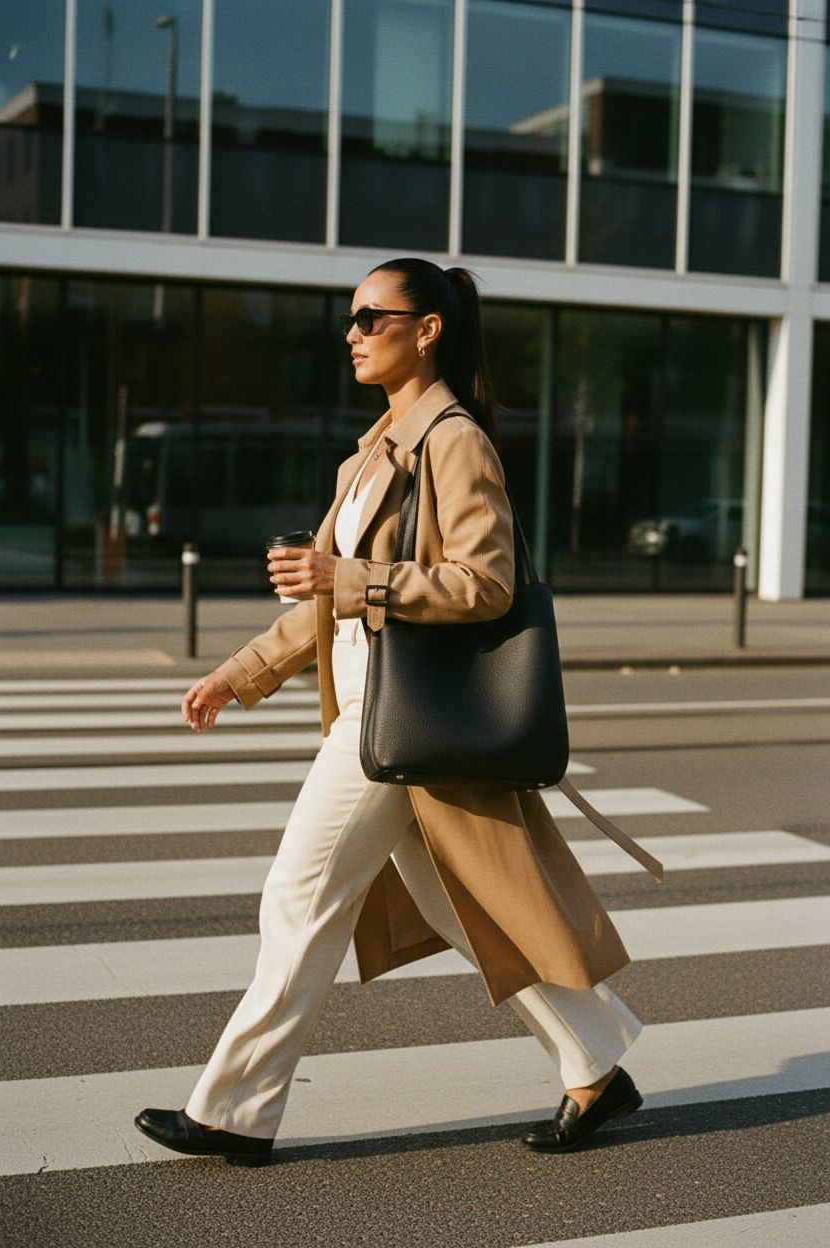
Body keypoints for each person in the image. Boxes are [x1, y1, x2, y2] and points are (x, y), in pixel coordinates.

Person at [135, 258, 644, 1167]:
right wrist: (240, 675)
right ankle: (596, 1065)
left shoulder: (454, 439)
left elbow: (485, 585)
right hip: (377, 712)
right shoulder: (373, 452)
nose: (355, 331)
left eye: (374, 316)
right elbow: (329, 604)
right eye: (353, 318)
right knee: (460, 905)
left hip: (401, 713)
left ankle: (231, 1115)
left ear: (429, 328)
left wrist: (349, 576)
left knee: (297, 900)